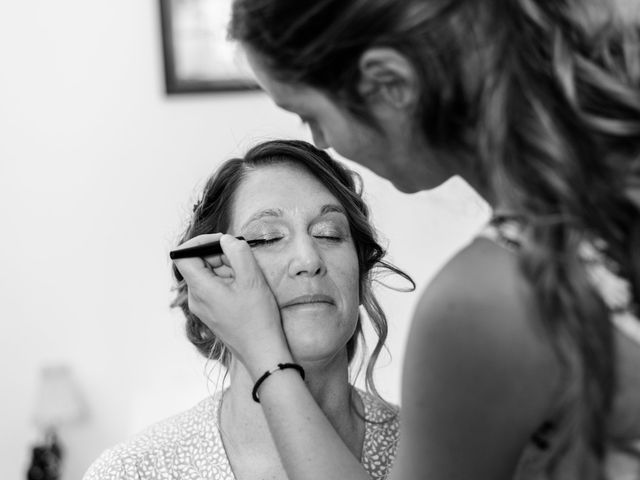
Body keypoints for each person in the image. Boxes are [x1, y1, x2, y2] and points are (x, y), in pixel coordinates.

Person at [173, 0, 640, 479]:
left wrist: (262, 350)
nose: (321, 141)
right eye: (268, 237)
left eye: (310, 113)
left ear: (389, 84)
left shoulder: (486, 301)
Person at [83, 140, 414, 480]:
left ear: (362, 275)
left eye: (329, 234)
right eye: (267, 238)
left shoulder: (435, 450)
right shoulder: (132, 471)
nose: (308, 260)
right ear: (211, 277)